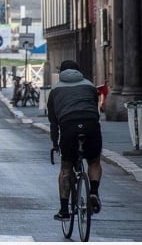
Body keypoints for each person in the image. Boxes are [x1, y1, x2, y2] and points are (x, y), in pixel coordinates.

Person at [47, 60, 103, 220]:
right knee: (94, 162)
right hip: (90, 124)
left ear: (61, 74)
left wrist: (55, 143)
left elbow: (53, 121)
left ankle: (64, 210)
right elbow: (95, 108)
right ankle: (93, 192)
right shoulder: (90, 85)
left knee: (66, 168)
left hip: (69, 127)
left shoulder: (55, 90)